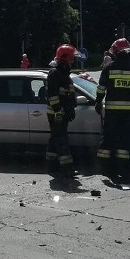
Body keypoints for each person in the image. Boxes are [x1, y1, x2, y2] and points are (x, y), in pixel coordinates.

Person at [95, 38, 130, 184]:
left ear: (115, 52)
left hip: (112, 111)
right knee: (125, 140)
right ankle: (124, 169)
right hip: (128, 113)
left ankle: (107, 169)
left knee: (109, 138)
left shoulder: (109, 68)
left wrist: (98, 102)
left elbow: (101, 88)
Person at [45, 44, 78, 175]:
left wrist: (71, 108)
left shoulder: (64, 73)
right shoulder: (55, 73)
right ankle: (67, 169)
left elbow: (68, 94)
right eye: (72, 58)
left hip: (62, 112)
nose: (73, 60)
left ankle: (51, 166)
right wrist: (58, 111)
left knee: (55, 140)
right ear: (66, 57)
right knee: (62, 141)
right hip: (56, 113)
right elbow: (52, 95)